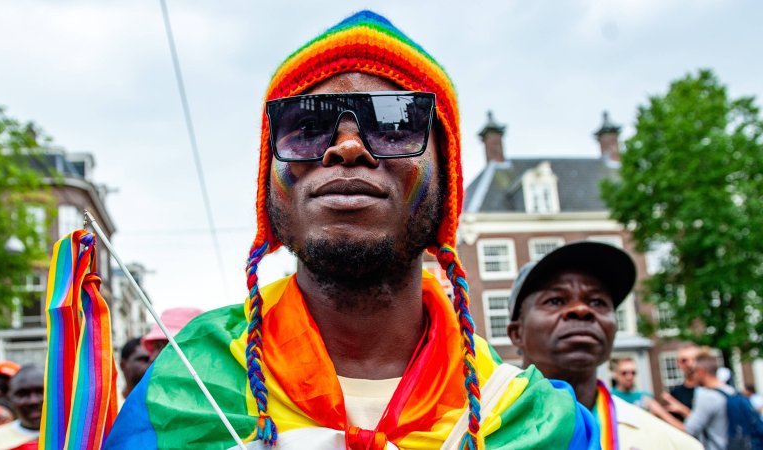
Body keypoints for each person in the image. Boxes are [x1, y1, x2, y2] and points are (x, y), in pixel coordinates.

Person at [105, 10, 598, 449]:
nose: (346, 147)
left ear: (447, 182)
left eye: (394, 123)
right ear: (270, 187)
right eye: (306, 126)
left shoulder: (537, 422)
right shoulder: (188, 386)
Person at [507, 241, 701, 449]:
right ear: (517, 333)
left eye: (597, 302)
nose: (582, 309)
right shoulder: (476, 433)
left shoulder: (674, 445)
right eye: (555, 300)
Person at [683, 351, 736, 450]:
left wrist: (659, 410)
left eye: (693, 371)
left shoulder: (707, 396)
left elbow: (688, 429)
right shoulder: (730, 391)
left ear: (701, 372)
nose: (692, 376)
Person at [663, 343, 700, 421]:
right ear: (678, 363)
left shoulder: (711, 389)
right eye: (684, 360)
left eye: (694, 359)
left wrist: (683, 410)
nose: (690, 364)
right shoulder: (675, 394)